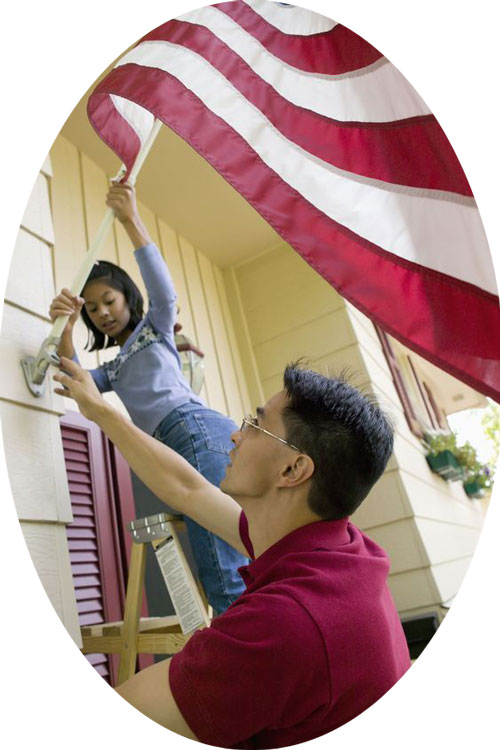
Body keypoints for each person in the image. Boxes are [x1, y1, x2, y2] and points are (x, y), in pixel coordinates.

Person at [54, 358, 411, 748]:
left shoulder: (283, 624)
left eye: (256, 425)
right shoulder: (337, 549)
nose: (235, 435)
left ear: (292, 471)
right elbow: (187, 489)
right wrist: (100, 409)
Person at [49, 183, 248, 614]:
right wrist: (64, 327)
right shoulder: (115, 369)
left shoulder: (154, 329)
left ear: (127, 298)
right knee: (219, 544)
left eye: (109, 300)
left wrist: (130, 220)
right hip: (168, 445)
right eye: (93, 310)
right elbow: (77, 376)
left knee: (219, 552)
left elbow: (165, 294)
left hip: (194, 428)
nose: (103, 312)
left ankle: (246, 644)